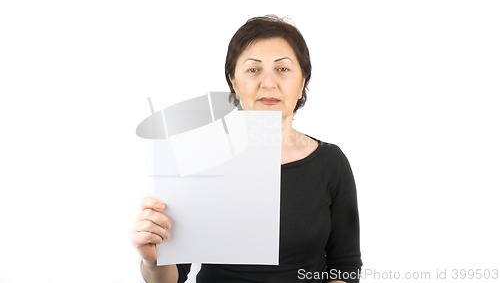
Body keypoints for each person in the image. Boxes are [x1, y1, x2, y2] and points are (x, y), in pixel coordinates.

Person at [131, 15, 362, 283]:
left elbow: (344, 266)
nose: (268, 83)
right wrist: (152, 259)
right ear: (233, 81)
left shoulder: (330, 163)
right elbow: (170, 276)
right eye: (253, 70)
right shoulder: (200, 159)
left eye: (283, 69)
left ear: (302, 82)